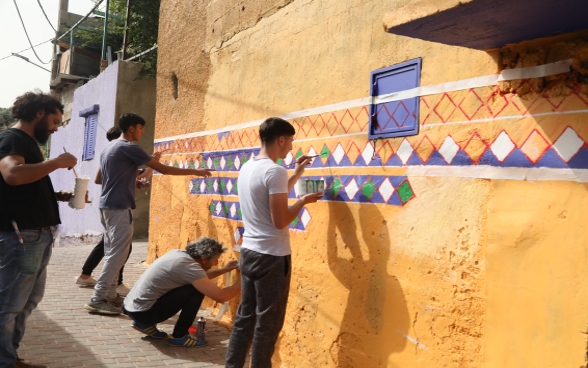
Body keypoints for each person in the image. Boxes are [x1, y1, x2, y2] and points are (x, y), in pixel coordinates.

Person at [84, 113, 212, 315]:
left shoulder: (109, 147)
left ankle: (109, 294)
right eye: (141, 128)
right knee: (117, 255)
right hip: (119, 208)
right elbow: (164, 170)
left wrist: (134, 180)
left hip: (107, 206)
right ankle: (97, 298)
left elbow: (105, 179)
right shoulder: (128, 147)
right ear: (132, 128)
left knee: (114, 253)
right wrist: (196, 172)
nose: (143, 132)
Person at [225, 117, 322, 368]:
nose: (291, 147)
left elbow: (272, 196)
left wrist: (297, 173)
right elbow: (280, 220)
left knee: (245, 317)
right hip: (272, 257)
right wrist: (302, 202)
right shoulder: (274, 170)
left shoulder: (248, 167)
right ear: (281, 139)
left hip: (249, 253)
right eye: (290, 141)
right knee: (268, 324)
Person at [0, 91, 79, 368]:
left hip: (37, 235)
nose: (57, 127)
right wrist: (56, 163)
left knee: (27, 302)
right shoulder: (12, 139)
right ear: (39, 113)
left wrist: (57, 195)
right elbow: (12, 175)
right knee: (9, 305)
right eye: (55, 120)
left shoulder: (27, 142)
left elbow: (26, 184)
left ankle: (10, 357)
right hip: (22, 236)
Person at [75, 127, 159, 296]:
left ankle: (89, 277)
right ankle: (111, 287)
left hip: (108, 204)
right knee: (120, 249)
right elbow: (142, 175)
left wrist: (128, 181)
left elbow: (101, 179)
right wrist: (154, 162)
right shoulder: (122, 152)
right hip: (118, 205)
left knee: (109, 245)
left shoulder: (109, 155)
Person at [123, 237, 241, 347]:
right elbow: (221, 296)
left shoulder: (177, 254)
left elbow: (200, 277)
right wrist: (245, 280)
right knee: (195, 290)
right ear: (204, 259)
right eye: (215, 260)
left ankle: (143, 324)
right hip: (143, 312)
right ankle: (179, 336)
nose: (216, 263)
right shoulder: (190, 267)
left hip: (131, 308)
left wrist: (225, 270)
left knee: (194, 285)